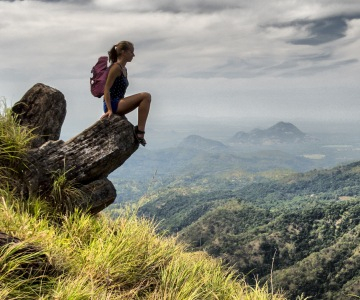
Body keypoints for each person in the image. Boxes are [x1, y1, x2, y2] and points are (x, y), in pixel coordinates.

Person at [101, 41, 151, 146]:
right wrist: (109, 109)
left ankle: (139, 131)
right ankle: (140, 132)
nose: (133, 55)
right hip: (113, 104)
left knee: (146, 97)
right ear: (123, 52)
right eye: (131, 52)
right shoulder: (116, 68)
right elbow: (106, 89)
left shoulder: (124, 69)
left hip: (119, 102)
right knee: (146, 96)